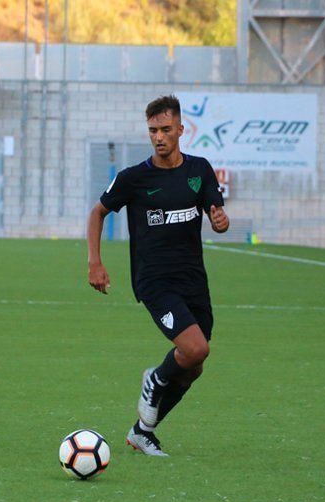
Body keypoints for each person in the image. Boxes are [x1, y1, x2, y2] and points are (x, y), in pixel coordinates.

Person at [86, 95, 230, 457]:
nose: (159, 137)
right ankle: (155, 379)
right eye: (153, 130)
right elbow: (98, 212)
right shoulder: (135, 178)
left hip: (194, 281)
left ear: (181, 130)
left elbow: (217, 215)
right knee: (195, 348)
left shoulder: (199, 171)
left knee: (193, 366)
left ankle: (142, 432)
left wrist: (220, 221)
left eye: (166, 129)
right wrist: (95, 262)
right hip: (154, 282)